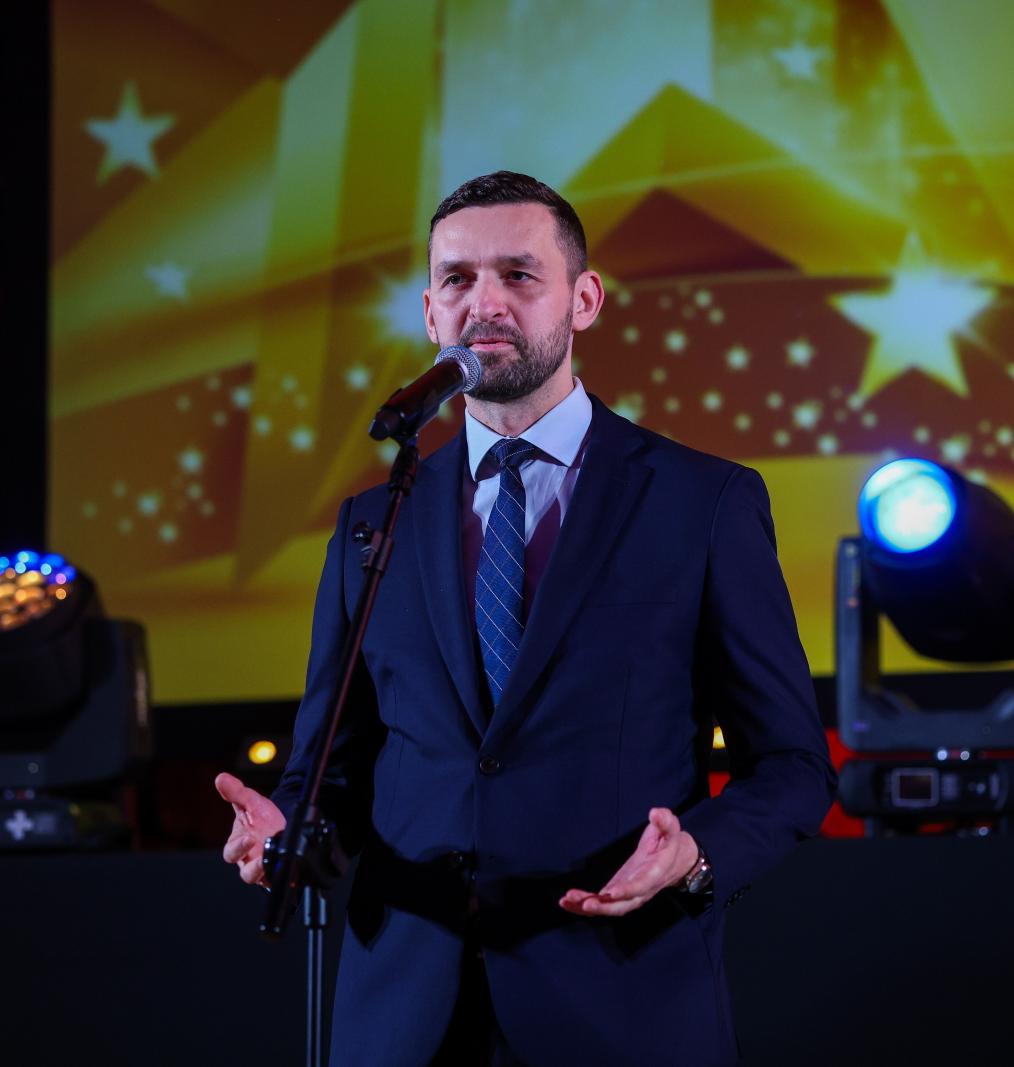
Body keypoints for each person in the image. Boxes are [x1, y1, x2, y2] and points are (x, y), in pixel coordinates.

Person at [216, 171, 835, 1067]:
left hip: (621, 1001)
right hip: (406, 1017)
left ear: (584, 300)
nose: (486, 302)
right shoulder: (374, 522)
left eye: (518, 274)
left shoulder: (703, 502)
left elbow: (791, 764)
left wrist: (696, 852)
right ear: (431, 312)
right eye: (458, 279)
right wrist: (284, 829)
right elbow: (334, 774)